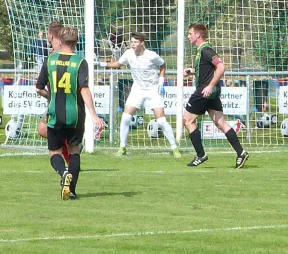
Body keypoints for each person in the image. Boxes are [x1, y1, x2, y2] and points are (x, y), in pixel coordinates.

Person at [36, 26, 105, 200]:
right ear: (76, 42)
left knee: (54, 152)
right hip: (75, 115)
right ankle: (71, 190)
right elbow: (84, 89)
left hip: (54, 114)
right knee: (74, 151)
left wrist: (52, 96)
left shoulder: (50, 60)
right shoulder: (80, 63)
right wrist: (94, 115)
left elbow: (39, 88)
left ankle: (63, 172)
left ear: (60, 41)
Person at [98, 32, 181, 158]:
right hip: (137, 89)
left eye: (135, 42)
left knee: (161, 120)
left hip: (153, 90)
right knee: (125, 117)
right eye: (131, 42)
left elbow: (162, 65)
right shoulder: (128, 54)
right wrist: (101, 63)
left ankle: (174, 148)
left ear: (142, 43)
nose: (132, 44)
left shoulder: (151, 55)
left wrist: (160, 82)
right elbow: (118, 64)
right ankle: (122, 147)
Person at [182, 23, 249, 168]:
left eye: (190, 33)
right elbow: (208, 69)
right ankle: (241, 152)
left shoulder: (206, 50)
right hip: (211, 92)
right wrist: (192, 71)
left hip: (204, 92)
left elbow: (221, 66)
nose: (188, 36)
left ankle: (201, 155)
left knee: (187, 121)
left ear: (197, 35)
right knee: (220, 123)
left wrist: (210, 85)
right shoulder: (202, 51)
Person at [36, 21, 72, 164]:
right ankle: (70, 152)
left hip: (57, 102)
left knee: (45, 129)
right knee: (44, 128)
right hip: (71, 101)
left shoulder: (52, 57)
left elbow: (39, 88)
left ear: (50, 35)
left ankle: (69, 155)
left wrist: (51, 96)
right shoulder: (69, 53)